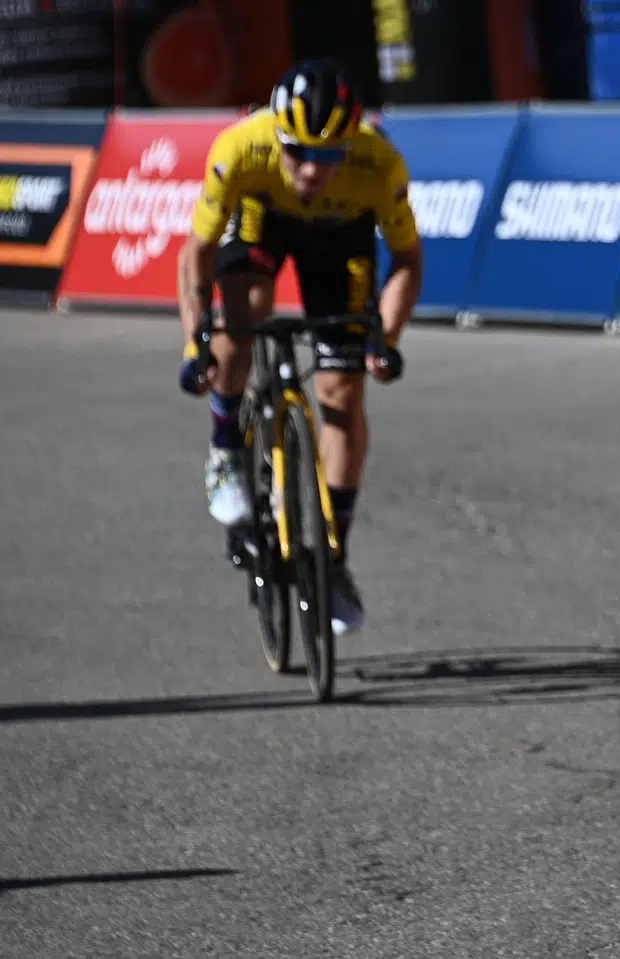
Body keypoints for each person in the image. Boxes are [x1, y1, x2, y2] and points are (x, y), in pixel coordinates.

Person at [176, 58, 423, 637]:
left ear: (349, 146)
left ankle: (331, 556)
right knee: (247, 307)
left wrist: (384, 339)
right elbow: (198, 254)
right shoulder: (241, 148)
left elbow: (408, 259)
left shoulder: (378, 163)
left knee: (342, 390)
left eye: (329, 155)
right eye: (299, 152)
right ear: (277, 137)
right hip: (264, 214)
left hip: (341, 234)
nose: (313, 169)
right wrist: (196, 342)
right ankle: (225, 453)